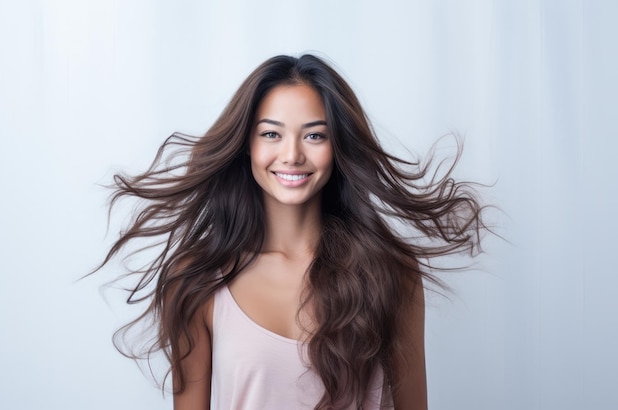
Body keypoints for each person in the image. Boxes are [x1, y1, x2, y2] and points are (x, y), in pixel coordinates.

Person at [97, 54, 487, 409]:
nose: (292, 154)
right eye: (271, 134)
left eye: (315, 135)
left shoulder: (393, 271)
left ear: (338, 146)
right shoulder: (197, 278)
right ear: (246, 144)